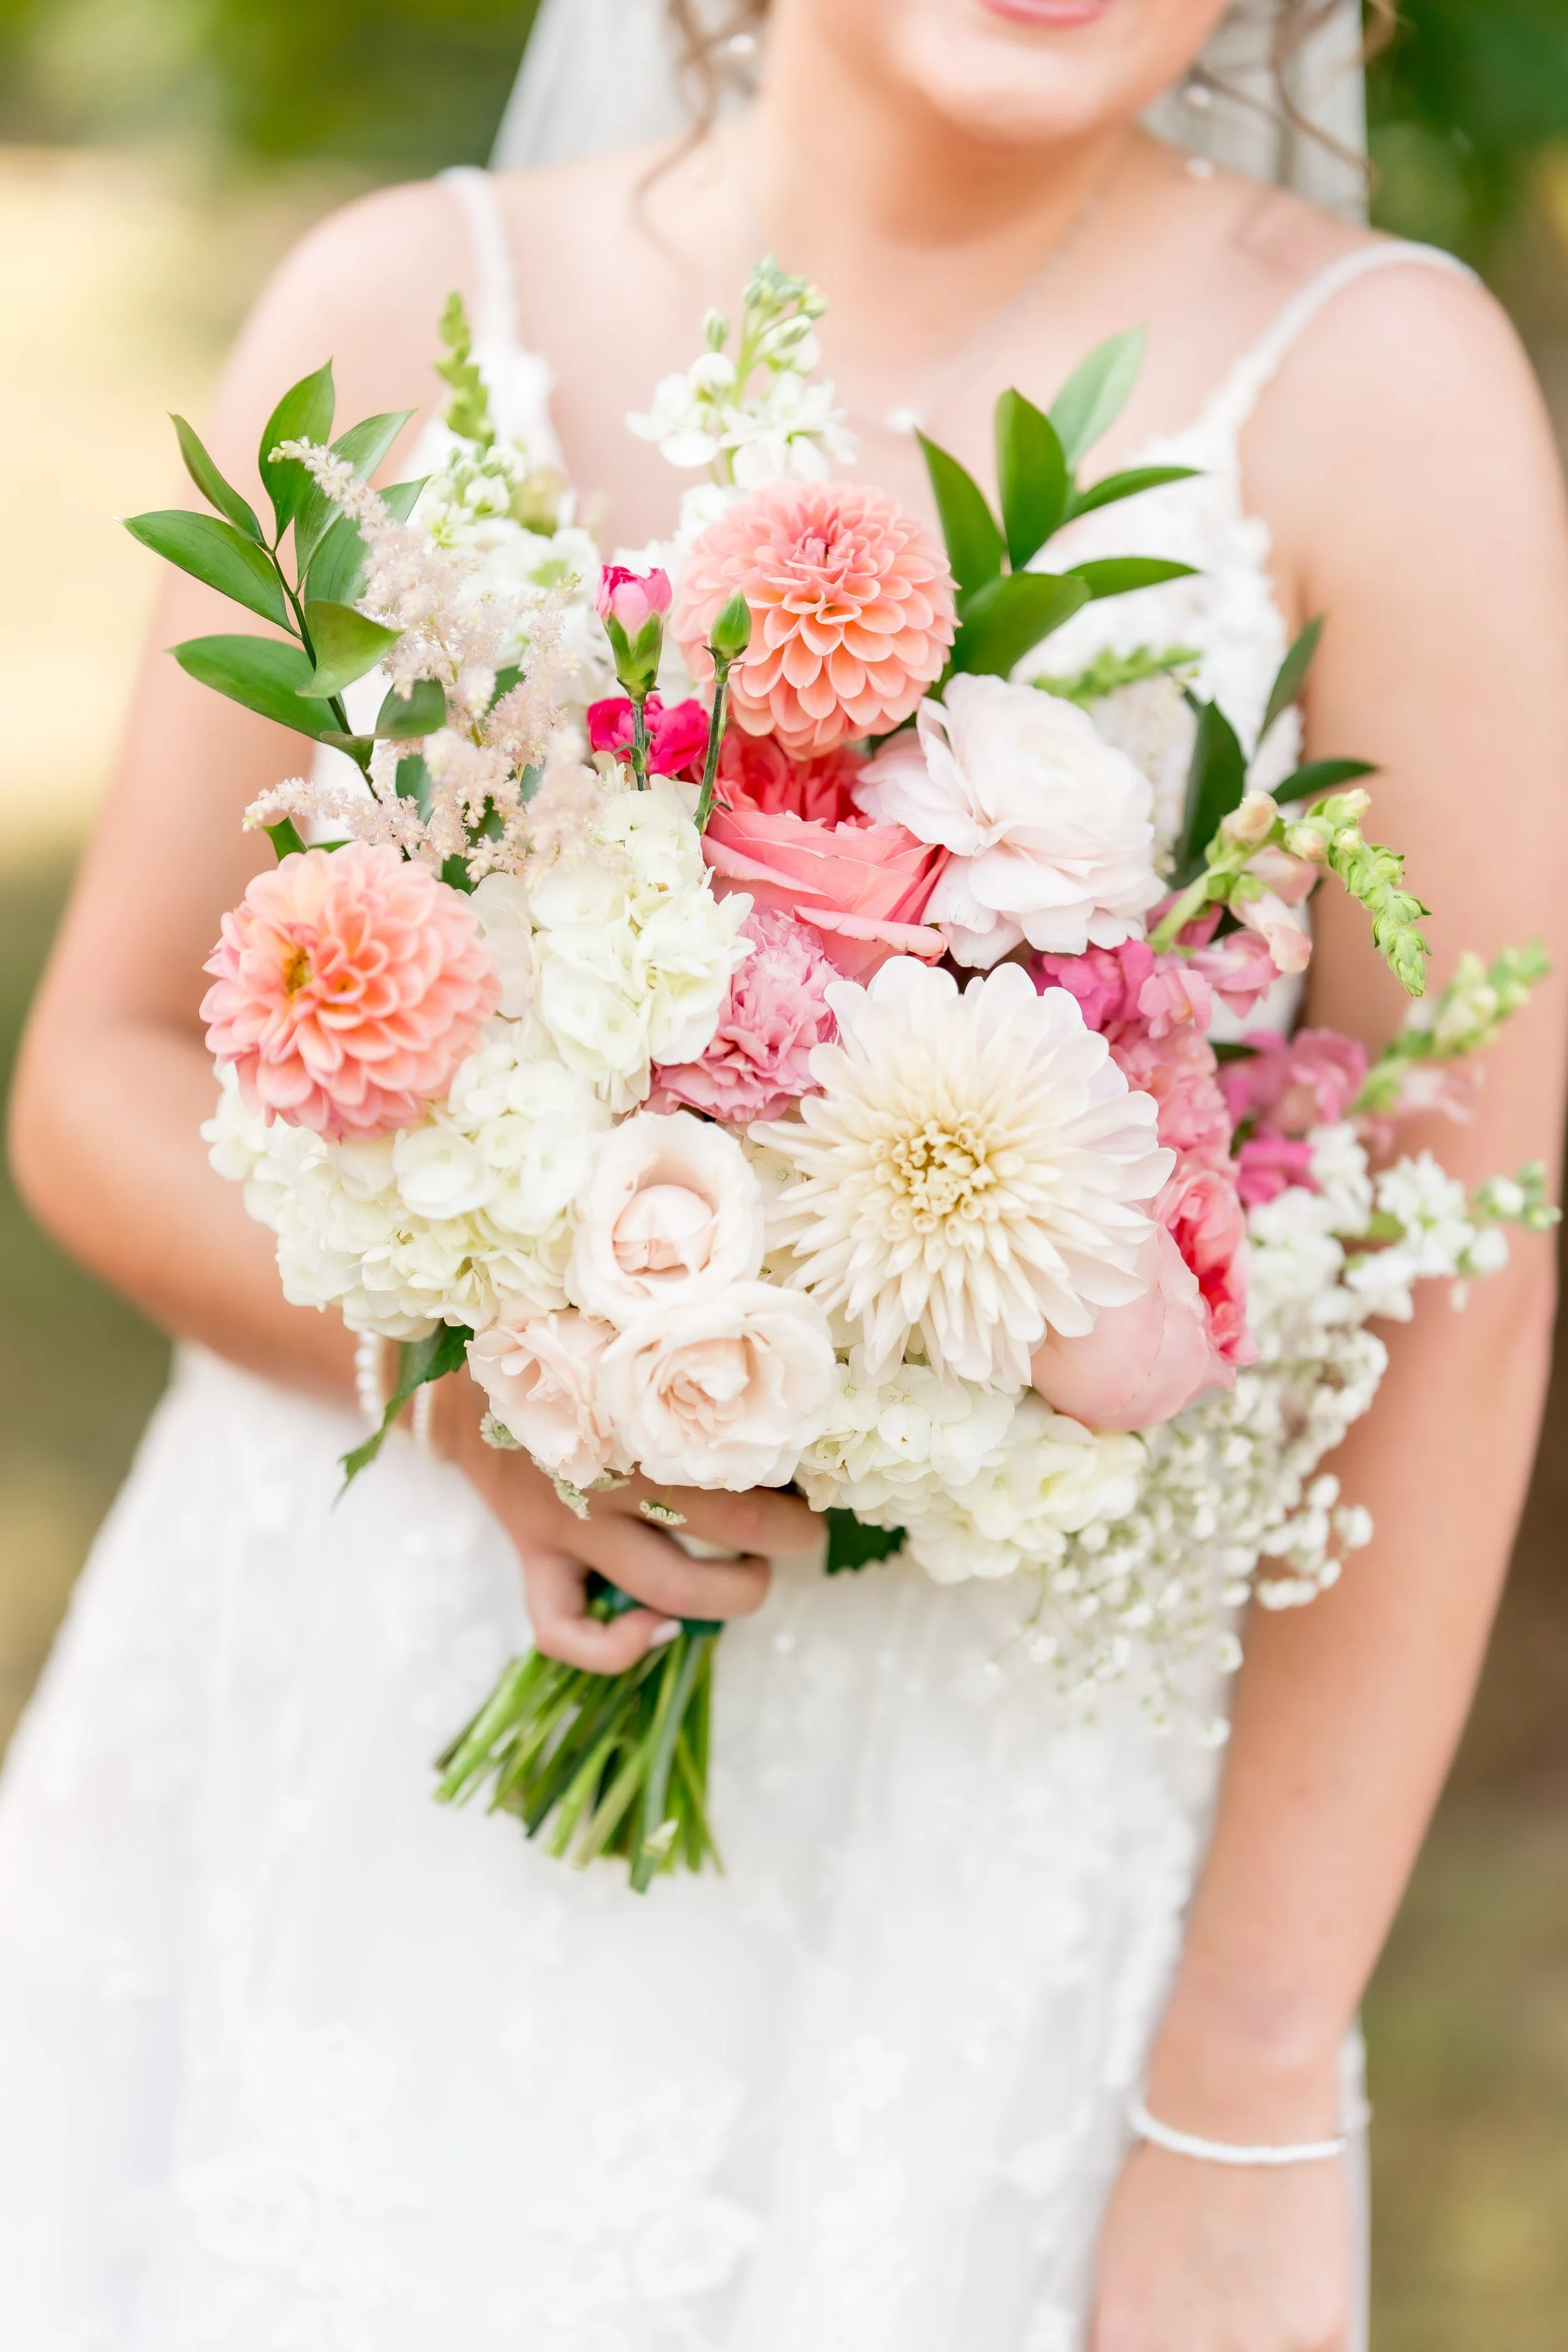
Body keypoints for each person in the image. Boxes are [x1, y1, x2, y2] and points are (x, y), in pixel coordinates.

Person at [4, 1, 1566, 2344]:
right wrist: (496, 1384)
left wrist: (1245, 2079)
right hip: (325, 1746)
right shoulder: (394, 309)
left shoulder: (1379, 393)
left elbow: (1464, 1280)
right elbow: (102, 1076)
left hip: (940, 1861)